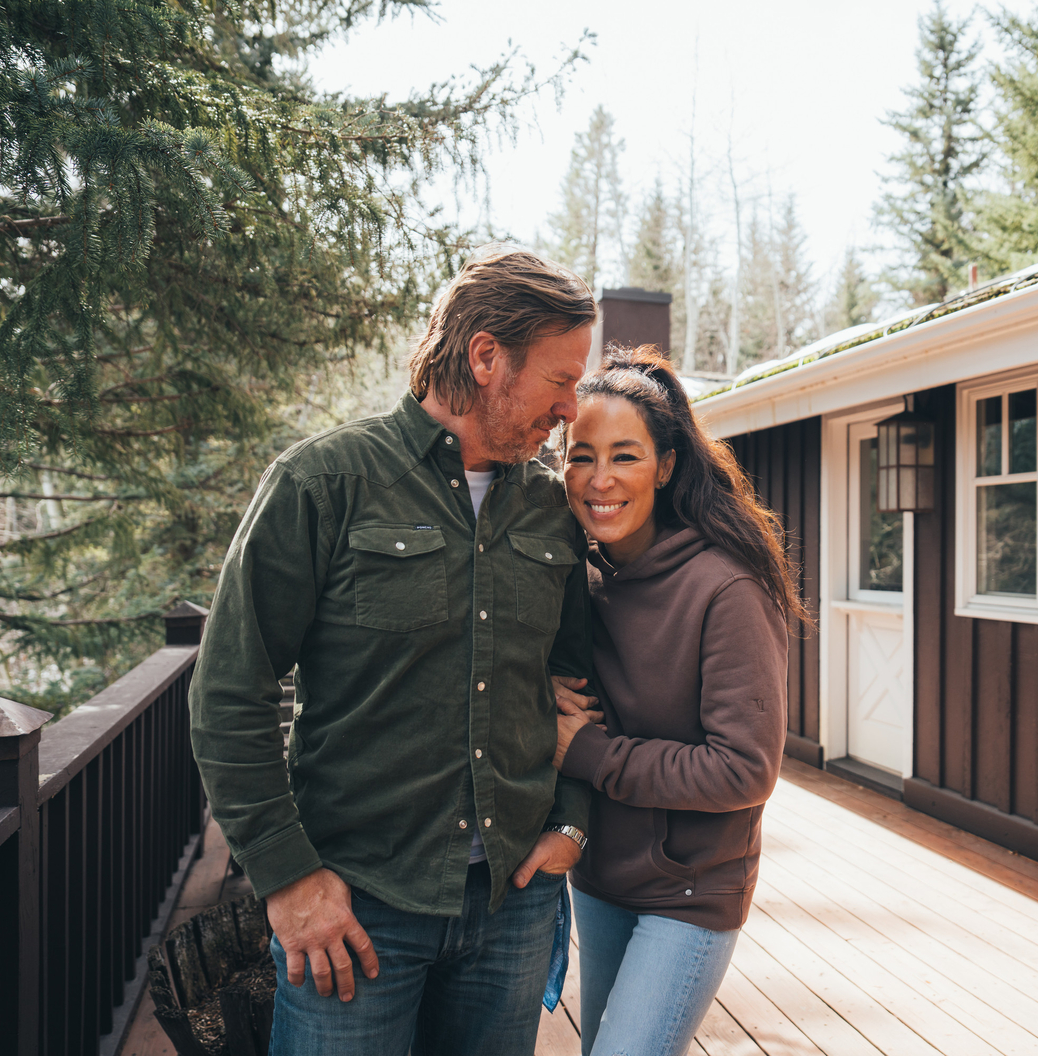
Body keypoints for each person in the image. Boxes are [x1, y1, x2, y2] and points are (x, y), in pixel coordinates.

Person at [189, 248, 602, 1056]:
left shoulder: (553, 510)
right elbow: (229, 693)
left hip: (513, 904)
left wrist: (572, 823)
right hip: (353, 909)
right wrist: (286, 876)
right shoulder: (322, 484)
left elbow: (577, 678)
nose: (570, 409)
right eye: (560, 379)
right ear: (486, 357)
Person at [550, 346, 803, 1056]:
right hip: (599, 877)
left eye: (624, 456)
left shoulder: (727, 588)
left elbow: (744, 770)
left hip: (690, 892)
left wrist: (590, 754)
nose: (600, 480)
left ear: (664, 466)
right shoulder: (575, 576)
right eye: (580, 457)